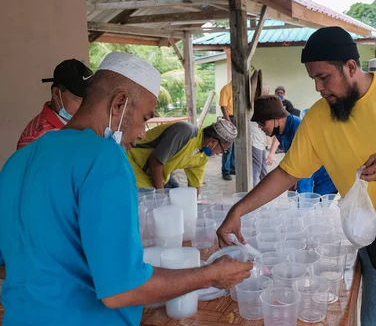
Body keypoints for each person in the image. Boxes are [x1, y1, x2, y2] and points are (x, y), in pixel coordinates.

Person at [0, 52, 252, 326]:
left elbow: (6, 264)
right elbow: (121, 289)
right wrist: (211, 275)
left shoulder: (18, 161)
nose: (144, 133)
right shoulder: (104, 157)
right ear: (119, 103)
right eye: (145, 117)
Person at [218, 26, 376, 325]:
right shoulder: (318, 118)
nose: (319, 88)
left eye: (324, 78)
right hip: (373, 233)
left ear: (351, 67)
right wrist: (239, 210)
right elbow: (287, 173)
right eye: (314, 80)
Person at [127, 118, 237, 195]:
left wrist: (194, 207)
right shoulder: (185, 132)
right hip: (132, 163)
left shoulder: (203, 155)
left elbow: (195, 186)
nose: (221, 153)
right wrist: (161, 197)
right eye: (223, 149)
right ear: (213, 142)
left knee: (177, 198)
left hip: (157, 174)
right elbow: (155, 162)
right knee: (153, 201)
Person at [253, 95, 337, 195]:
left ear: (276, 118)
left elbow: (305, 176)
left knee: (309, 206)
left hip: (326, 179)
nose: (259, 127)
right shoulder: (280, 131)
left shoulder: (299, 130)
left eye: (261, 122)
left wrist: (303, 203)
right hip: (311, 175)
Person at [17, 58, 93, 150]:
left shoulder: (86, 123)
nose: (85, 106)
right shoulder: (36, 139)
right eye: (78, 99)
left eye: (88, 99)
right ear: (57, 93)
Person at [219, 81, 235, 180]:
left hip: (238, 117)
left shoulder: (239, 88)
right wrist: (228, 122)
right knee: (228, 146)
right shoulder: (226, 88)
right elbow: (223, 107)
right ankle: (225, 170)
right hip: (230, 118)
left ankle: (233, 168)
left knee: (235, 147)